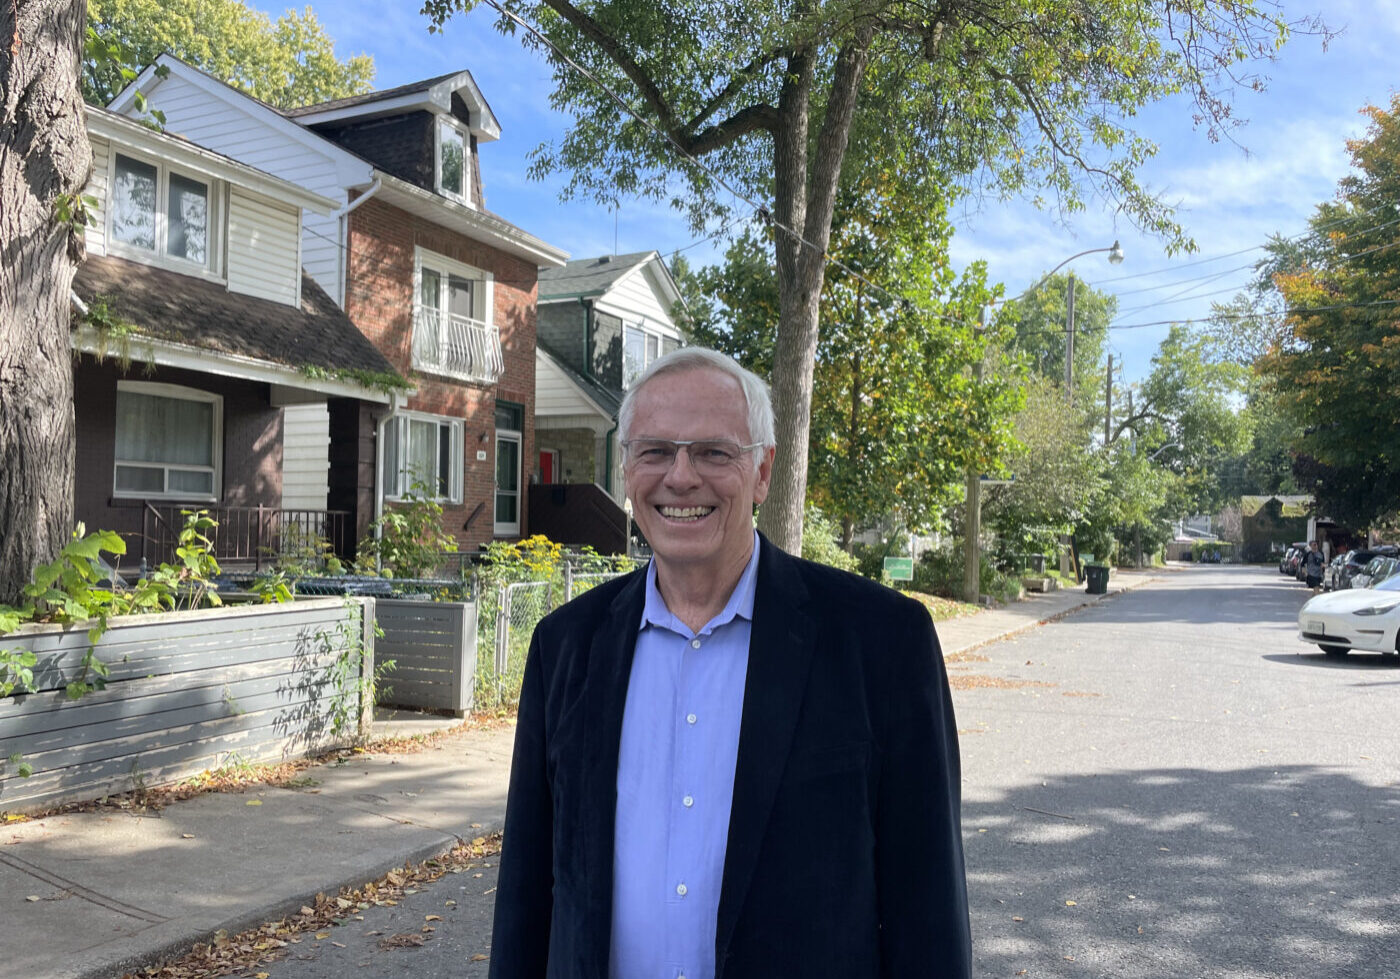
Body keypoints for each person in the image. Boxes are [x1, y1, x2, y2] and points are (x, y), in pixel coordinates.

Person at [489, 348, 971, 979]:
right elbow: (529, 892)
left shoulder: (882, 642)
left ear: (763, 471)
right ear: (628, 466)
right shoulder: (566, 646)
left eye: (714, 452)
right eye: (656, 450)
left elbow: (927, 900)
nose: (681, 477)